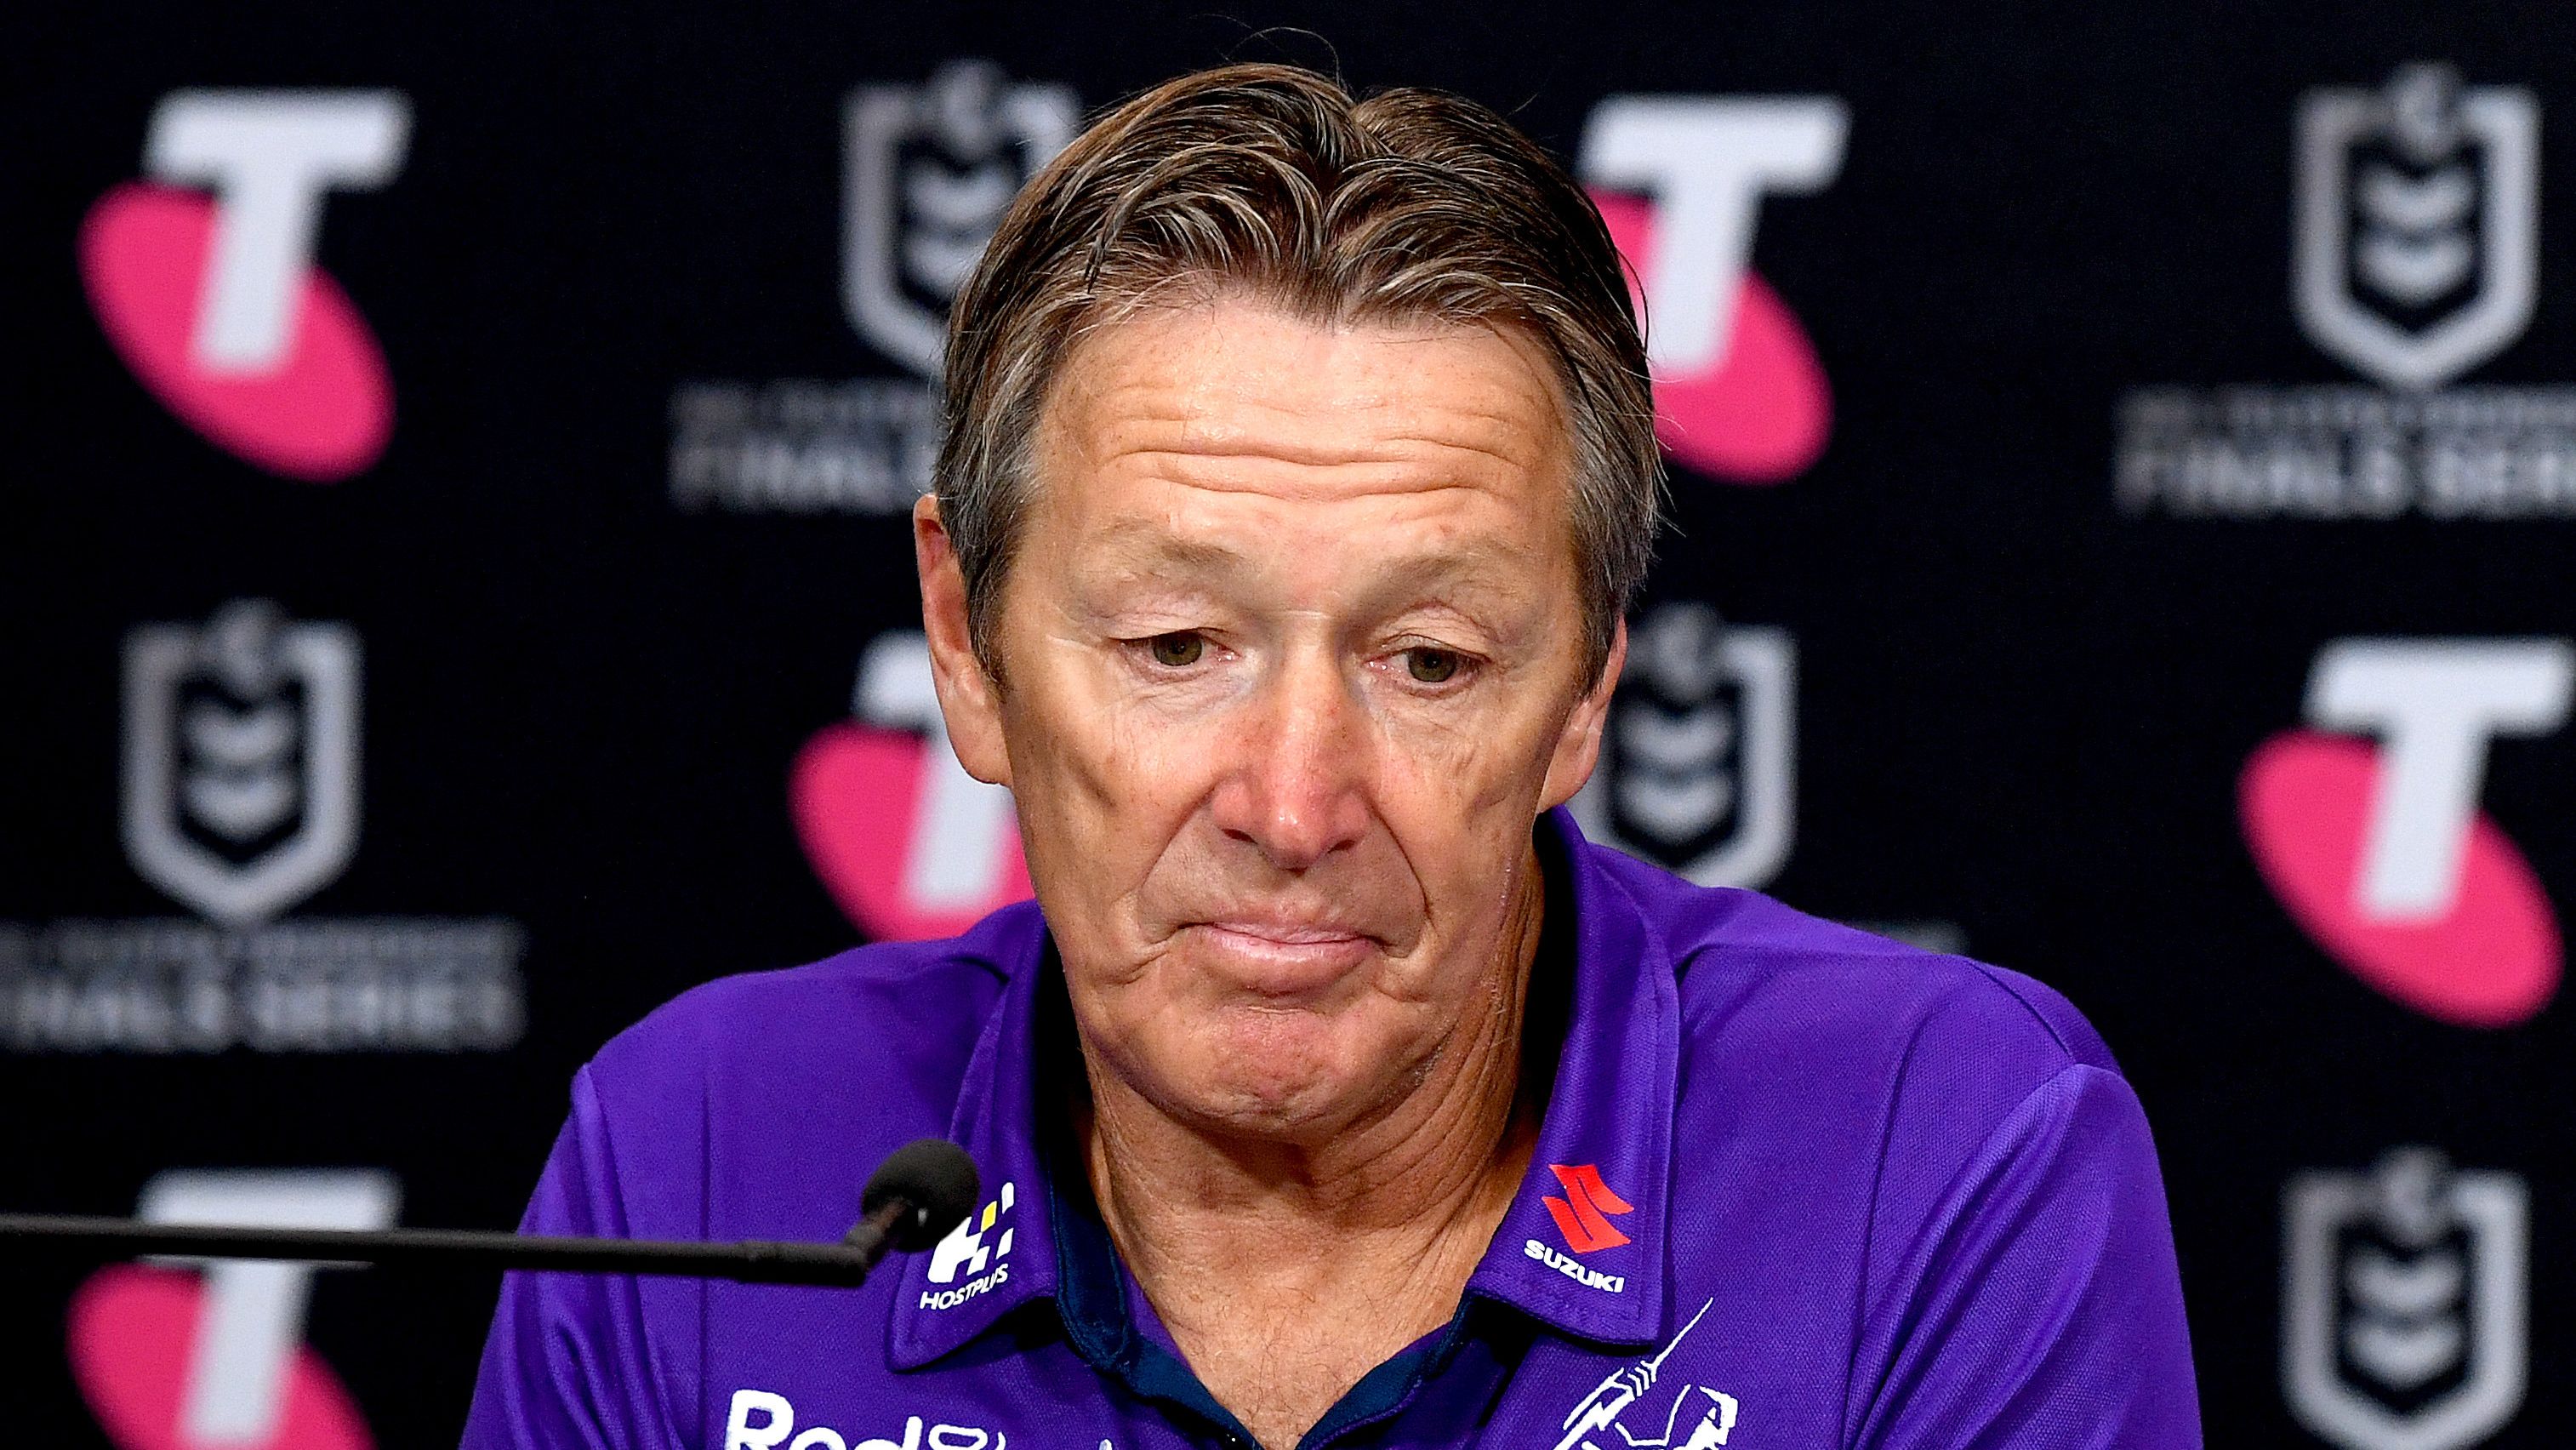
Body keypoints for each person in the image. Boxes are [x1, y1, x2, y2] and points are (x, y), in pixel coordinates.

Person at [463, 62, 2199, 1450]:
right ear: (964, 641)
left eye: (1428, 660)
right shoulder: (694, 1155)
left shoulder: (1938, 1152)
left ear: (1584, 690)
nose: (1293, 807)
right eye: (1173, 648)